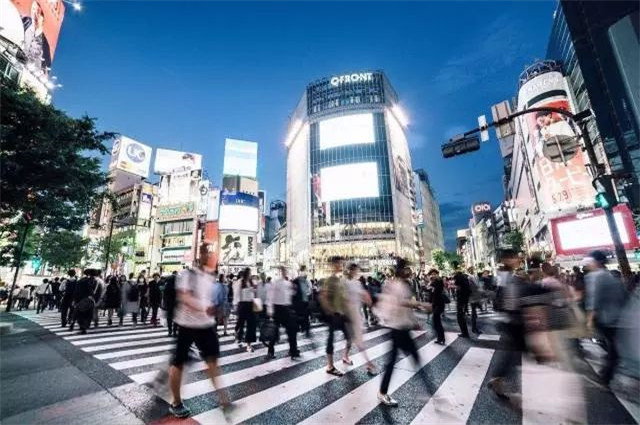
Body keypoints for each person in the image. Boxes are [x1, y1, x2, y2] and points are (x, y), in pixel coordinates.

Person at [167, 251, 231, 418]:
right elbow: (184, 297)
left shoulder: (209, 277)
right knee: (178, 362)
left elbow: (209, 299)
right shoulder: (187, 275)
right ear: (199, 260)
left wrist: (213, 309)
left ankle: (224, 400)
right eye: (207, 256)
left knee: (213, 361)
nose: (210, 259)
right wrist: (205, 308)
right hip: (187, 324)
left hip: (206, 325)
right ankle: (176, 402)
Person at [375, 258, 431, 406]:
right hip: (397, 328)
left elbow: (405, 305)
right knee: (398, 360)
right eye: (407, 269)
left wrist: (414, 321)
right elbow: (399, 302)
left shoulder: (403, 285)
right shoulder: (395, 285)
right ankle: (383, 392)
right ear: (401, 271)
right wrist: (420, 304)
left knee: (410, 358)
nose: (410, 271)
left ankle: (427, 390)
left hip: (402, 328)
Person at [583, 250, 628, 386]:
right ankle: (605, 375)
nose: (588, 265)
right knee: (614, 349)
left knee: (614, 350)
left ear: (595, 262)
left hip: (607, 319)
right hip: (618, 318)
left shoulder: (594, 277)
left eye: (590, 262)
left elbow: (593, 300)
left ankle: (604, 378)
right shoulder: (611, 275)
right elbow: (623, 296)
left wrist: (589, 321)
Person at [319, 257, 351, 376]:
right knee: (331, 339)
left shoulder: (338, 279)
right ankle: (330, 366)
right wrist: (330, 311)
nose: (341, 265)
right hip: (334, 315)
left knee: (349, 336)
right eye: (339, 264)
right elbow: (323, 296)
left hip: (341, 314)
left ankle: (345, 356)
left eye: (341, 263)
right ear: (333, 265)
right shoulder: (331, 280)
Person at [344, 263, 376, 374]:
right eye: (354, 270)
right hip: (350, 315)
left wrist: (367, 299)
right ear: (350, 271)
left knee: (351, 338)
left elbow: (363, 295)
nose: (356, 272)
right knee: (359, 340)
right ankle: (368, 363)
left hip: (355, 314)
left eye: (356, 270)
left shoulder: (356, 283)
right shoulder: (347, 283)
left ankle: (345, 356)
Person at [266, 266, 300, 360]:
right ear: (281, 272)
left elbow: (292, 294)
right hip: (278, 308)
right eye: (284, 271)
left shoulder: (288, 283)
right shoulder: (276, 283)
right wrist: (270, 310)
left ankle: (293, 351)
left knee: (291, 330)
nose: (285, 273)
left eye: (286, 271)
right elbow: (270, 296)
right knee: (275, 331)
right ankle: (271, 351)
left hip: (285, 309)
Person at [234, 268, 257, 352]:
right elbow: (237, 294)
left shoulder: (251, 282)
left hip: (250, 304)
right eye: (249, 273)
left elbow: (254, 292)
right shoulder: (240, 282)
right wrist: (236, 305)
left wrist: (254, 290)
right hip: (242, 304)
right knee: (241, 323)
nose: (250, 274)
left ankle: (249, 345)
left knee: (251, 325)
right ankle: (238, 336)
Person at [74, 270, 98, 334]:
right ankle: (86, 327)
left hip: (82, 299)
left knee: (81, 314)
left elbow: (77, 291)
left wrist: (76, 300)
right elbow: (95, 292)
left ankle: (82, 328)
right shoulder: (95, 281)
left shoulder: (81, 281)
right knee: (88, 315)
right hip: (91, 299)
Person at [427, 269, 446, 344]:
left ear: (437, 274)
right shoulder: (433, 282)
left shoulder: (438, 281)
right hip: (435, 303)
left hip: (439, 303)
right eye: (432, 274)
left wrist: (431, 286)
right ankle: (441, 338)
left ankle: (441, 338)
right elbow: (428, 290)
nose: (433, 275)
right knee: (436, 321)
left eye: (435, 274)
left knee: (436, 320)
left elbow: (436, 289)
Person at [292, 265, 312, 337]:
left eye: (305, 271)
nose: (304, 273)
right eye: (303, 271)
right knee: (299, 316)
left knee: (305, 316)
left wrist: (308, 295)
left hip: (305, 302)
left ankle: (305, 329)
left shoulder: (307, 282)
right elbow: (293, 292)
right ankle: (301, 328)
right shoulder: (296, 281)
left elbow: (309, 291)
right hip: (298, 303)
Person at [453, 267, 471, 338]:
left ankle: (464, 333)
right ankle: (465, 333)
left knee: (460, 317)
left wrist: (457, 291)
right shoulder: (465, 278)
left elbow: (458, 287)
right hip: (465, 299)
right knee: (461, 316)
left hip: (461, 300)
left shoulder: (459, 279)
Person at [467, 267, 483, 334]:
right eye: (471, 270)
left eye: (473, 269)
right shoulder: (469, 278)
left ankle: (474, 327)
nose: (472, 270)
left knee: (474, 313)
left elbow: (478, 286)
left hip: (475, 296)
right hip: (473, 297)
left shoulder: (474, 277)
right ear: (469, 271)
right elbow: (474, 287)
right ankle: (474, 328)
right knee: (473, 313)